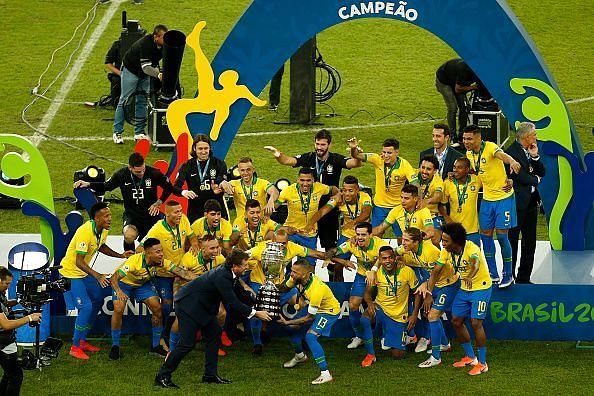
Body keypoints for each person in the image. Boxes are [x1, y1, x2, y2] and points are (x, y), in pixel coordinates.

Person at [154, 250, 272, 389]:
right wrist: (256, 313)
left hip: (202, 307)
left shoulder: (230, 274)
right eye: (245, 265)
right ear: (235, 266)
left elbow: (241, 294)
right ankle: (162, 376)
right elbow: (233, 302)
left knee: (215, 334)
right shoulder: (222, 276)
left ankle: (210, 375)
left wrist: (260, 304)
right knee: (187, 344)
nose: (247, 267)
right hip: (189, 306)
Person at [264, 130, 361, 259]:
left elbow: (355, 163)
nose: (319, 147)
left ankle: (331, 274)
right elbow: (287, 160)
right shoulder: (309, 158)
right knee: (304, 245)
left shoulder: (336, 159)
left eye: (322, 145)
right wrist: (278, 154)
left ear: (329, 145)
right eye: (317, 144)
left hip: (328, 210)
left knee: (330, 247)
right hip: (309, 208)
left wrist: (355, 151)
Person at [74, 152, 196, 252]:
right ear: (130, 168)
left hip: (151, 215)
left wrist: (159, 202)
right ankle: (129, 259)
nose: (141, 173)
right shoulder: (121, 175)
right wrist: (88, 184)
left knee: (153, 246)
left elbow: (169, 187)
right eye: (138, 172)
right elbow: (107, 186)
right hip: (132, 215)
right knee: (128, 235)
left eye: (143, 170)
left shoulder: (153, 173)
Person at [59, 202, 133, 360]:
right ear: (96, 218)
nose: (110, 219)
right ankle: (74, 346)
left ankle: (82, 340)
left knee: (97, 300)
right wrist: (98, 275)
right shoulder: (85, 231)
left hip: (83, 272)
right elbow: (79, 261)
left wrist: (120, 255)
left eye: (110, 215)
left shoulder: (103, 230)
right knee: (86, 307)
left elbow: (101, 246)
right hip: (71, 273)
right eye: (106, 216)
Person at [109, 238, 197, 360]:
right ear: (148, 253)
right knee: (118, 309)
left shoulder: (162, 262)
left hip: (142, 285)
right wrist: (119, 292)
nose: (161, 254)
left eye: (161, 251)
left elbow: (182, 273)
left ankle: (156, 346)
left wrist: (205, 278)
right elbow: (113, 278)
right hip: (123, 284)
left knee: (157, 308)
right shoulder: (134, 262)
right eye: (157, 252)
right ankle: (115, 346)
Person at [245, 228, 327, 355]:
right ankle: (257, 343)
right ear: (272, 241)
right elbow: (244, 256)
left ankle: (305, 337)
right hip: (259, 284)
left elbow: (314, 254)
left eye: (284, 243)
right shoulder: (261, 248)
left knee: (303, 304)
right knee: (257, 311)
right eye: (278, 242)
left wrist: (340, 260)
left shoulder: (292, 247)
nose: (281, 246)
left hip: (281, 286)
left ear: (288, 242)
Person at [463, 124, 521, 288]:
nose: (466, 142)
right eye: (464, 138)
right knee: (486, 235)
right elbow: (480, 172)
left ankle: (508, 275)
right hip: (487, 200)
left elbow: (502, 155)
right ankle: (493, 274)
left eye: (469, 139)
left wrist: (512, 161)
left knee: (502, 236)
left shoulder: (490, 147)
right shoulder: (469, 154)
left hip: (503, 198)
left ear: (478, 138)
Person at [140, 200, 200, 348]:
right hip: (164, 274)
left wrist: (194, 243)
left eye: (180, 211)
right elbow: (141, 249)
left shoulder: (184, 220)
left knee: (185, 303)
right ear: (166, 214)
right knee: (166, 306)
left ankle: (180, 335)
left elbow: (191, 235)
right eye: (176, 212)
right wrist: (156, 260)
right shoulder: (157, 230)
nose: (180, 214)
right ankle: (162, 336)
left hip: (180, 271)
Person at [439, 222, 492, 376]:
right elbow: (438, 268)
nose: (443, 243)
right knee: (456, 320)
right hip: (465, 289)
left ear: (456, 241)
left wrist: (469, 276)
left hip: (480, 288)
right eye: (442, 240)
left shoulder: (472, 248)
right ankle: (470, 357)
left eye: (446, 241)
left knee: (476, 323)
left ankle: (482, 363)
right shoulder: (447, 251)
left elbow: (475, 264)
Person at [278, 259, 340, 385]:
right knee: (292, 329)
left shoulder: (316, 289)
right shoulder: (296, 278)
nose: (291, 274)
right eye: (292, 271)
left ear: (305, 274)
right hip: (313, 307)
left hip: (328, 312)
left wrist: (287, 322)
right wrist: (270, 286)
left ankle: (325, 373)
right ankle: (300, 356)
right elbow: (284, 288)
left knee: (310, 337)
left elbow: (309, 318)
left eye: (295, 272)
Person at [358, 246, 421, 365]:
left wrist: (414, 314)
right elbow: (367, 293)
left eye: (390, 257)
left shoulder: (407, 271)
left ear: (395, 258)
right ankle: (371, 354)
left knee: (398, 355)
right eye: (384, 258)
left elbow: (417, 293)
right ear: (380, 260)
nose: (388, 261)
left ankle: (404, 336)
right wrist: (370, 303)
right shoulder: (375, 273)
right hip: (380, 308)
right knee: (365, 319)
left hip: (398, 315)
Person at [330, 222, 388, 350]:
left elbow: (386, 257)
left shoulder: (380, 244)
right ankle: (359, 336)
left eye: (363, 234)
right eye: (357, 234)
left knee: (385, 306)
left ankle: (386, 337)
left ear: (371, 235)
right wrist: (342, 260)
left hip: (382, 276)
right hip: (362, 276)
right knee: (352, 305)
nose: (360, 237)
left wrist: (373, 269)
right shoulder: (352, 243)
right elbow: (331, 254)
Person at [305, 175, 372, 280]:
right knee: (338, 266)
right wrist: (311, 223)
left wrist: (353, 222)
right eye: (344, 190)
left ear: (357, 190)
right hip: (346, 236)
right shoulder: (338, 199)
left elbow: (366, 213)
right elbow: (323, 211)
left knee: (369, 265)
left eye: (351, 191)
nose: (347, 194)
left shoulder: (364, 197)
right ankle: (338, 290)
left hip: (363, 235)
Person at [349, 137, 417, 235]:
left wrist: (418, 200)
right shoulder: (377, 159)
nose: (385, 155)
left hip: (398, 207)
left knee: (402, 238)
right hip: (379, 206)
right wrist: (353, 148)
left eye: (389, 153)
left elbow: (415, 183)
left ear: (397, 152)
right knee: (375, 235)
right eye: (384, 152)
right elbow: (356, 155)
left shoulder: (405, 166)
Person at [170, 235, 227, 353]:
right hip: (190, 292)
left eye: (217, 247)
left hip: (208, 292)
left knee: (221, 314)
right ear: (203, 249)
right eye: (212, 248)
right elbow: (178, 277)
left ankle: (214, 343)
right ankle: (172, 349)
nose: (216, 251)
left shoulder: (220, 258)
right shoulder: (189, 257)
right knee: (180, 319)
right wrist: (176, 296)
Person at [414, 226, 461, 368]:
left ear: (415, 242)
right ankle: (445, 344)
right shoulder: (413, 250)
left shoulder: (431, 252)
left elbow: (435, 273)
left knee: (433, 315)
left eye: (405, 240)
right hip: (437, 285)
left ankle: (435, 357)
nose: (402, 243)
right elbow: (396, 252)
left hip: (448, 284)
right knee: (431, 314)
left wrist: (427, 292)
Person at [113, 24, 168, 144]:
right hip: (131, 70)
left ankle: (139, 132)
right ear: (156, 37)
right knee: (125, 100)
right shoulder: (145, 44)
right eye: (164, 37)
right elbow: (145, 67)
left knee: (142, 100)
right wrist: (158, 75)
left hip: (144, 73)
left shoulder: (162, 45)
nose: (165, 40)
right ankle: (117, 132)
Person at [505, 122, 545, 284]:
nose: (536, 136)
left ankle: (524, 278)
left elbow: (542, 171)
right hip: (516, 205)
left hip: (531, 204)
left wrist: (535, 157)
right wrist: (535, 179)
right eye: (534, 134)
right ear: (526, 137)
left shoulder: (531, 149)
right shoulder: (510, 153)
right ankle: (510, 277)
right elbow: (520, 177)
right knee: (512, 242)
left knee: (530, 242)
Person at [275, 167, 338, 265]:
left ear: (313, 180)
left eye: (308, 180)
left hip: (309, 234)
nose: (305, 184)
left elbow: (333, 189)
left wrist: (337, 195)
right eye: (302, 180)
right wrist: (270, 204)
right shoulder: (287, 191)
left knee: (308, 267)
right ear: (297, 180)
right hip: (291, 232)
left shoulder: (319, 187)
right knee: (284, 265)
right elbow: (274, 206)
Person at [0, 267, 42, 396]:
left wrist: (19, 301)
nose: (7, 287)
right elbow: (6, 324)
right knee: (15, 375)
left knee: (9, 373)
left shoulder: (1, 294)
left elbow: (5, 305)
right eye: (6, 283)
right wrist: (29, 317)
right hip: (3, 344)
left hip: (5, 342)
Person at [175, 134, 228, 223]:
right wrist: (184, 192)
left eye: (206, 148)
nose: (203, 151)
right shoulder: (187, 166)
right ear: (194, 149)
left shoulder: (219, 164)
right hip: (195, 211)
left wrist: (220, 187)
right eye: (200, 149)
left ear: (210, 148)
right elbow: (176, 187)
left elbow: (221, 180)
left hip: (216, 210)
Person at [435, 59, 479, 145]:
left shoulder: (475, 69)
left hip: (456, 80)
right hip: (444, 82)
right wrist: (474, 87)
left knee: (464, 107)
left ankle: (462, 135)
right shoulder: (465, 70)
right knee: (453, 108)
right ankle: (452, 136)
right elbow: (458, 89)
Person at [439, 157, 482, 246]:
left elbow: (490, 181)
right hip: (455, 231)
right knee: (454, 258)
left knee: (474, 258)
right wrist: (446, 217)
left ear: (467, 170)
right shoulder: (448, 183)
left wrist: (510, 180)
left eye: (459, 167)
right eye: (454, 167)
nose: (455, 170)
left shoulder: (476, 180)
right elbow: (441, 205)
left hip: (472, 231)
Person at [220, 157, 279, 221]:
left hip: (260, 221)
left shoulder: (262, 183)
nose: (245, 173)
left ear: (253, 170)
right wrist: (222, 183)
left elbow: (275, 191)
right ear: (238, 171)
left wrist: (271, 201)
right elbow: (220, 188)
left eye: (248, 169)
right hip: (241, 223)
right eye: (242, 170)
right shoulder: (234, 184)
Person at [414, 155, 444, 246]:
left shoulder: (438, 182)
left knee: (434, 240)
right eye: (422, 167)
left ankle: (438, 259)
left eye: (428, 169)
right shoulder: (414, 175)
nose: (424, 171)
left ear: (435, 171)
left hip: (433, 215)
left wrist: (426, 201)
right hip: (416, 215)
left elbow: (438, 196)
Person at [104, 39, 122, 107]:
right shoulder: (117, 45)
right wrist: (120, 73)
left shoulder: (142, 45)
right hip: (119, 77)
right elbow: (108, 62)